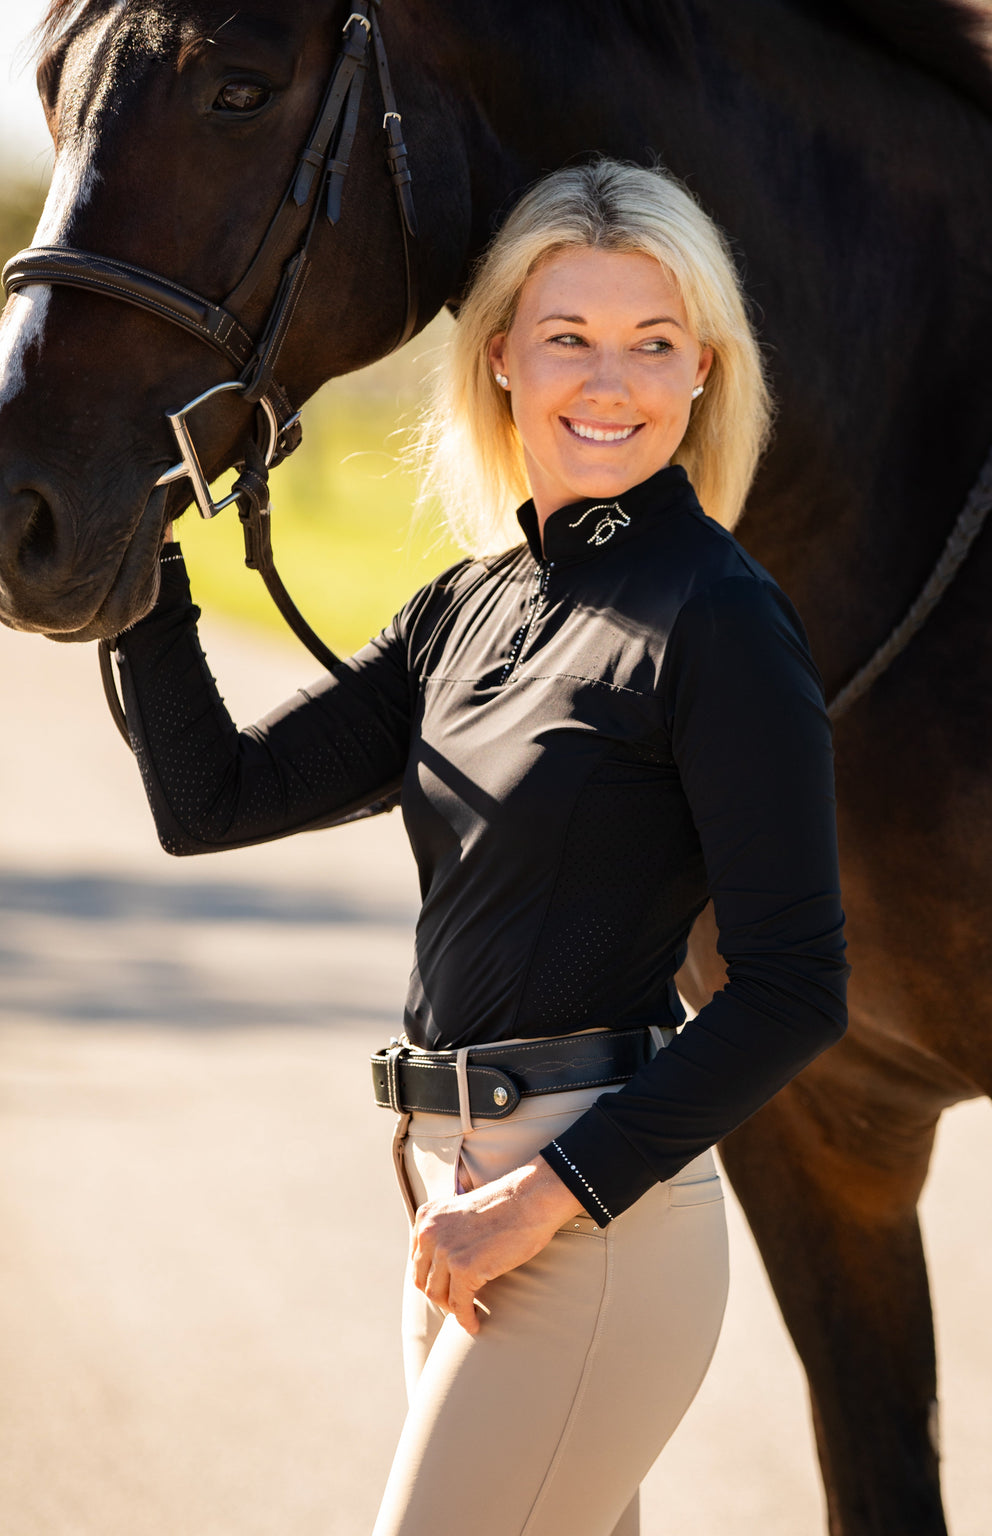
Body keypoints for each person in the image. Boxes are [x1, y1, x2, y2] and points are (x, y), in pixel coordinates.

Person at [116, 159, 848, 1536]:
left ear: (703, 373)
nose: (608, 382)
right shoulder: (469, 603)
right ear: (501, 354)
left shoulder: (720, 620)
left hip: (586, 1224)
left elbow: (798, 988)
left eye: (652, 345)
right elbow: (209, 801)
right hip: (453, 1197)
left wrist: (540, 1205)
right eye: (569, 337)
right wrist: (135, 562)